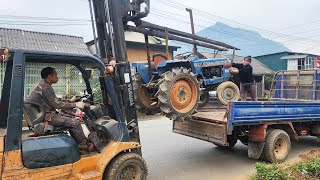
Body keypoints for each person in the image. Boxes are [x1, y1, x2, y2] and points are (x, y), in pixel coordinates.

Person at [28, 67, 93, 152]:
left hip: (43, 114)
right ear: (49, 76)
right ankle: (83, 145)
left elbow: (53, 100)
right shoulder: (46, 87)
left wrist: (70, 101)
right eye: (56, 75)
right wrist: (76, 104)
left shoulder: (42, 85)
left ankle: (78, 143)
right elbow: (56, 104)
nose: (57, 77)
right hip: (46, 117)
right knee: (75, 122)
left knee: (70, 119)